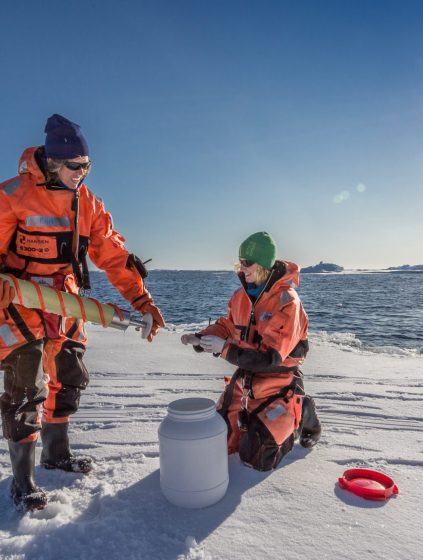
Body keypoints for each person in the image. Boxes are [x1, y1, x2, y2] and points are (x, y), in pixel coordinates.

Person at [0, 114, 165, 512]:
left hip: (65, 303)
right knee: (25, 390)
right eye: (76, 166)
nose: (82, 173)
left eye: (87, 166)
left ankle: (57, 454)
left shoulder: (87, 203)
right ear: (53, 161)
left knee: (70, 378)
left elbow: (114, 256)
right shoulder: (11, 195)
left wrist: (142, 301)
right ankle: (23, 482)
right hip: (18, 302)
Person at [182, 232, 321, 471]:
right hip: (246, 376)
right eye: (239, 262)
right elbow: (227, 325)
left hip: (277, 378)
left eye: (247, 262)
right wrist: (203, 337)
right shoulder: (241, 296)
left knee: (256, 456)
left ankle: (302, 411)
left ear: (264, 264)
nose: (242, 268)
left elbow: (270, 358)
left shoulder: (288, 302)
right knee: (218, 439)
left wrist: (224, 349)